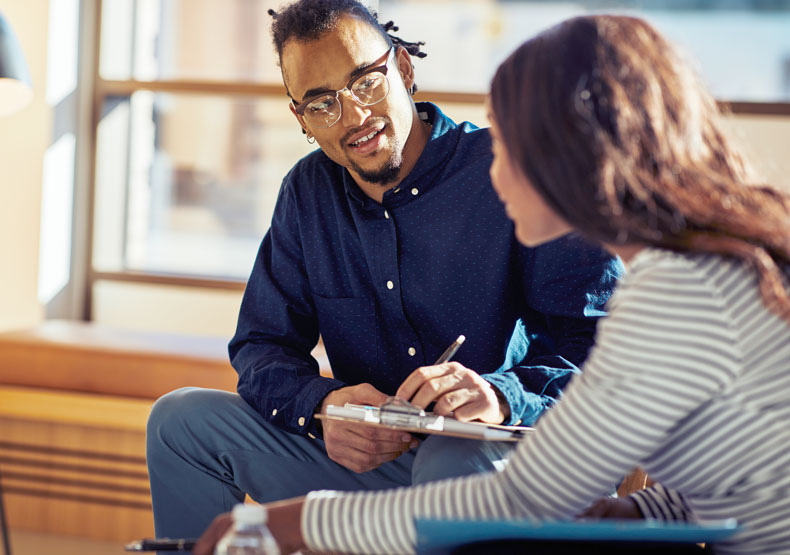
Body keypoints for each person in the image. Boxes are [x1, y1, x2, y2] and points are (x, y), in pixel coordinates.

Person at [192, 13, 790, 555]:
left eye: (509, 146)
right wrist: (634, 511)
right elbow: (745, 484)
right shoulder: (713, 268)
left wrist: (296, 526)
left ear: (581, 155)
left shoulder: (676, 291)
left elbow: (510, 497)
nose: (493, 172)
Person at [145, 0, 622, 541]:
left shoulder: (513, 171)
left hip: (510, 463)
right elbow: (261, 347)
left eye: (366, 82)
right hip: (375, 469)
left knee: (451, 459)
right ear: (301, 119)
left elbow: (603, 349)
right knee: (179, 422)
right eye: (323, 104)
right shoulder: (306, 194)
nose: (353, 117)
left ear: (404, 68)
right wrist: (321, 407)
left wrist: (501, 396)